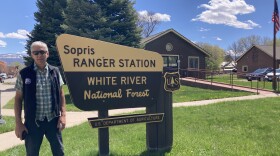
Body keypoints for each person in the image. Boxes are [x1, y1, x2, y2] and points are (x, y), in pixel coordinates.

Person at [14, 41, 66, 156]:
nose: (39, 55)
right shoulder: (24, 74)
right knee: (32, 153)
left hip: (53, 120)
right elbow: (18, 99)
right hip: (33, 123)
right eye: (36, 53)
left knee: (59, 152)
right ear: (31, 54)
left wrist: (63, 115)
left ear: (47, 53)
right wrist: (18, 123)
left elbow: (61, 94)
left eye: (42, 52)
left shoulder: (55, 72)